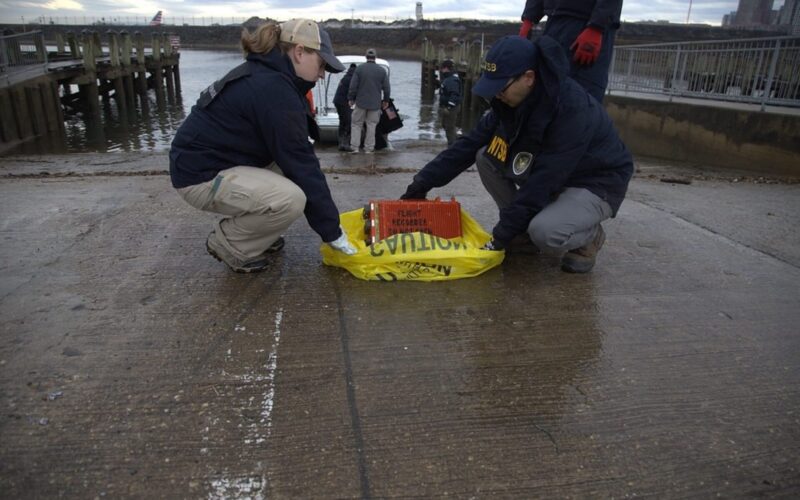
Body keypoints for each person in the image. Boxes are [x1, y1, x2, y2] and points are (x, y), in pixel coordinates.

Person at [400, 35, 633, 274]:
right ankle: (522, 232)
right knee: (484, 155)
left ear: (529, 78)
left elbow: (544, 180)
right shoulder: (509, 103)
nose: (496, 95)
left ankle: (590, 236)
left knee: (546, 233)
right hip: (553, 172)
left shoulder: (572, 110)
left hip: (595, 182)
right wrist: (420, 184)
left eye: (500, 87)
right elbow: (467, 146)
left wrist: (500, 236)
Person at [169, 19, 357, 273]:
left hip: (217, 161)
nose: (322, 73)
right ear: (299, 52)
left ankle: (257, 236)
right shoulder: (272, 88)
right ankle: (231, 243)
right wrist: (332, 233)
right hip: (199, 175)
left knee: (289, 177)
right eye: (322, 64)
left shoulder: (268, 75)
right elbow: (302, 164)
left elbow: (295, 158)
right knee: (290, 199)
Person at [519, 0, 623, 102]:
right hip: (554, 21)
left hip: (586, 25)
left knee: (581, 99)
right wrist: (529, 18)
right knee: (546, 93)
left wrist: (597, 26)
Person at [348, 48, 391, 153]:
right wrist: (386, 100)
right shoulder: (382, 71)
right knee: (371, 125)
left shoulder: (359, 69)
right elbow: (387, 88)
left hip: (361, 102)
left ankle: (355, 148)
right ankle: (369, 149)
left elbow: (353, 86)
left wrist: (351, 98)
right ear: (375, 57)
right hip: (375, 104)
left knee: (356, 124)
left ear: (366, 57)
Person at [333, 63, 357, 151]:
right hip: (343, 102)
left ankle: (341, 143)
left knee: (342, 122)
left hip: (337, 101)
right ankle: (345, 144)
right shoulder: (352, 78)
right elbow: (353, 91)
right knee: (348, 122)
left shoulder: (346, 77)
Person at [438, 59, 462, 146]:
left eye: (442, 68)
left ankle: (452, 145)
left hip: (452, 107)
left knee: (449, 127)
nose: (441, 70)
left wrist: (449, 107)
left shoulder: (452, 80)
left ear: (446, 68)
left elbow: (454, 94)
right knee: (445, 124)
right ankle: (457, 139)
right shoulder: (448, 78)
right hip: (448, 106)